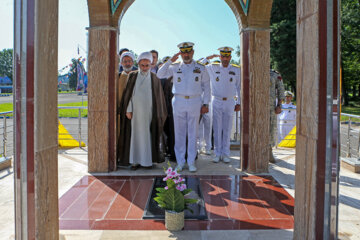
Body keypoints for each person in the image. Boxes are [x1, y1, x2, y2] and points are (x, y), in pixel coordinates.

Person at [157, 42, 210, 172]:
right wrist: (170, 61)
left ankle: (191, 161)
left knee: (193, 133)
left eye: (188, 52)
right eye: (183, 52)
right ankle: (180, 162)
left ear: (192, 52)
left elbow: (206, 86)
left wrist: (206, 103)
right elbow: (159, 74)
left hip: (195, 101)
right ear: (180, 53)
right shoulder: (174, 67)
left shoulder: (201, 67)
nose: (186, 55)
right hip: (179, 101)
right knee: (179, 133)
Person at [117, 52, 167, 169]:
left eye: (147, 65)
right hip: (136, 113)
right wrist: (129, 109)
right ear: (138, 64)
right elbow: (128, 95)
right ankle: (135, 161)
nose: (144, 68)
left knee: (148, 136)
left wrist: (158, 113)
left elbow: (159, 98)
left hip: (150, 113)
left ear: (151, 65)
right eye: (142, 65)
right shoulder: (133, 76)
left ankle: (147, 161)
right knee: (135, 136)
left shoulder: (154, 78)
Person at [203, 47, 241, 163]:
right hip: (217, 100)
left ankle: (226, 154)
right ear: (220, 57)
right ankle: (217, 153)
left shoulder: (236, 69)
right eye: (223, 56)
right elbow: (201, 64)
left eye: (227, 56)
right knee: (217, 128)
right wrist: (208, 58)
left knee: (227, 128)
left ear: (230, 57)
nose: (225, 59)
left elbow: (239, 87)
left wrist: (239, 102)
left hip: (230, 101)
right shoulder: (213, 67)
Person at [116, 52, 135, 151]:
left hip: (135, 113)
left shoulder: (137, 76)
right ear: (121, 63)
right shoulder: (118, 77)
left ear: (133, 62)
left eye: (129, 61)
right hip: (121, 113)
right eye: (125, 61)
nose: (127, 63)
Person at [269, 69, 285, 163]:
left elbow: (281, 90)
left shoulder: (274, 74)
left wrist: (279, 105)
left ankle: (269, 151)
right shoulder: (255, 70)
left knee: (271, 129)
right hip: (257, 106)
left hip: (271, 107)